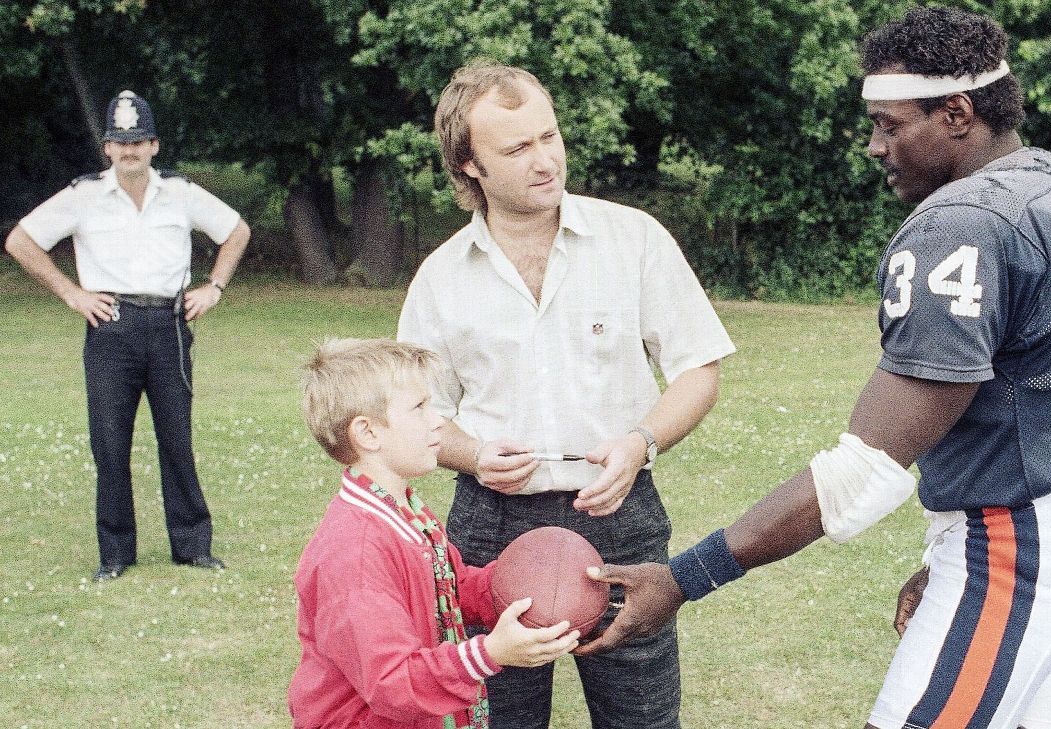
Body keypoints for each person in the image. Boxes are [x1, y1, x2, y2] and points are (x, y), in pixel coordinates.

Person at [579, 8, 1051, 729]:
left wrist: (685, 578)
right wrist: (950, 549)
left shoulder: (962, 223)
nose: (875, 146)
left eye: (890, 124)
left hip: (1020, 547)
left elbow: (863, 471)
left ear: (958, 113)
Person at [397, 63, 735, 728]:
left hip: (620, 515)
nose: (547, 160)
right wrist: (472, 454)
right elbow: (422, 412)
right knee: (501, 720)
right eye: (517, 149)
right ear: (469, 167)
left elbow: (700, 369)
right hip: (492, 528)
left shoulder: (632, 239)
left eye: (549, 136)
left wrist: (641, 443)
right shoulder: (439, 278)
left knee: (642, 719)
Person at [4, 90, 251, 581]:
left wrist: (215, 287)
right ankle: (116, 554)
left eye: (139, 141)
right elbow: (20, 241)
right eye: (121, 142)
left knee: (176, 439)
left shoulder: (180, 193)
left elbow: (236, 230)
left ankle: (192, 546)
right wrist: (71, 294)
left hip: (169, 325)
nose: (130, 150)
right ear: (107, 148)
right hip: (111, 325)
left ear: (154, 145)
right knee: (110, 443)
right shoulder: (84, 196)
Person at [289, 338, 579, 728]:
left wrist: (520, 585)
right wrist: (489, 652)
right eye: (419, 407)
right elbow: (392, 682)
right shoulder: (354, 554)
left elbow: (449, 588)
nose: (438, 419)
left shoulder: (404, 511)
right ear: (368, 433)